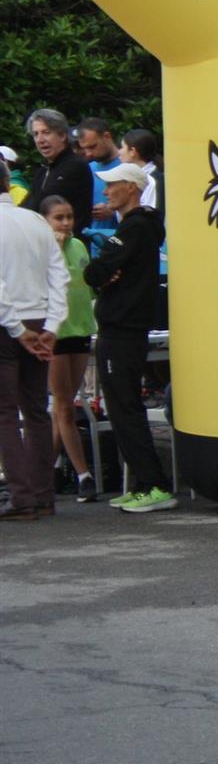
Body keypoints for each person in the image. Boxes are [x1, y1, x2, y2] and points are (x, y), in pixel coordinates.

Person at [84, 163, 171, 513]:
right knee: (123, 407)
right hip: (126, 327)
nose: (106, 192)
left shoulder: (135, 227)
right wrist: (105, 272)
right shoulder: (141, 226)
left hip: (121, 329)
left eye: (113, 185)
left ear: (131, 187)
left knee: (125, 407)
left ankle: (154, 485)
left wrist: (104, 272)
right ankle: (142, 484)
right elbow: (102, 272)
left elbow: (95, 272)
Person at [0, 152, 67, 522]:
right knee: (37, 409)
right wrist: (51, 327)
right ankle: (42, 495)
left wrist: (17, 328)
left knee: (6, 413)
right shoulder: (36, 221)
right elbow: (59, 276)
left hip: (8, 322)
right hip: (39, 317)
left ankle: (22, 497)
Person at [37, 196, 97, 502]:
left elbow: (87, 286)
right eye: (58, 218)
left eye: (69, 217)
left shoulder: (80, 246)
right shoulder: (41, 250)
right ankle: (84, 475)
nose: (65, 223)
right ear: (45, 221)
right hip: (56, 333)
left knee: (63, 406)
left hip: (81, 328)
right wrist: (56, 250)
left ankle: (44, 475)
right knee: (64, 406)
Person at [22, 110, 90, 218]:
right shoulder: (43, 170)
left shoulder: (75, 166)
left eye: (46, 132)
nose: (40, 140)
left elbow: (41, 205)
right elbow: (26, 205)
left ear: (62, 135)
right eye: (36, 134)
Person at [74, 118, 122, 255]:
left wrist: (114, 214)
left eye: (92, 146)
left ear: (107, 136)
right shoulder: (87, 169)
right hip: (91, 250)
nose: (88, 153)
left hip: (120, 247)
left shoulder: (127, 166)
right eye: (84, 148)